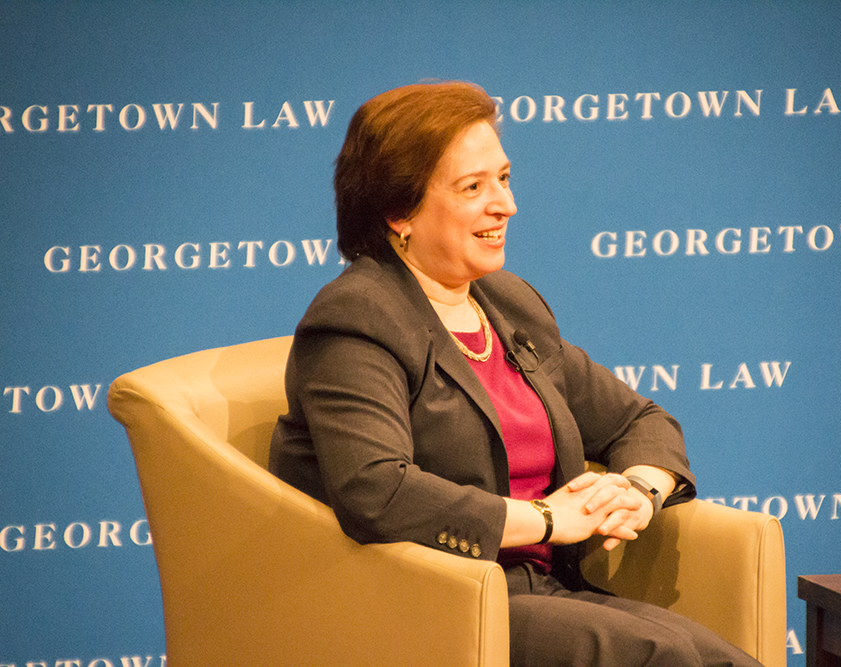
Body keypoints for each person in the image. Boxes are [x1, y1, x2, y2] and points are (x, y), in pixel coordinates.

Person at [269, 80, 762, 667]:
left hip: (546, 588)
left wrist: (636, 492)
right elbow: (377, 490)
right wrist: (550, 519)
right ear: (399, 211)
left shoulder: (506, 304)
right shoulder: (357, 319)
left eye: (502, 179)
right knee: (664, 657)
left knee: (720, 658)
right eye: (473, 187)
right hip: (441, 599)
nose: (505, 204)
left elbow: (638, 418)